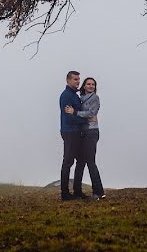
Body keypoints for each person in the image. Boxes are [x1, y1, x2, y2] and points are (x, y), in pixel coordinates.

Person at [68, 77, 105, 200]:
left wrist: (75, 113)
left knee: (90, 162)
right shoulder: (80, 98)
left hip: (91, 132)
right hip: (83, 133)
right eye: (88, 84)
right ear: (84, 86)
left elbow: (91, 113)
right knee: (80, 162)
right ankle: (77, 191)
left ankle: (99, 192)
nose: (91, 86)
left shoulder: (95, 98)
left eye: (93, 84)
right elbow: (87, 114)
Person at [59, 70, 88, 201]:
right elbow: (69, 118)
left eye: (78, 79)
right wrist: (85, 120)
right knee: (68, 162)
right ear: (68, 80)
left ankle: (77, 191)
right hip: (69, 132)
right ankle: (65, 193)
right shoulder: (66, 96)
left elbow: (75, 113)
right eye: (75, 79)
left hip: (77, 133)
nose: (78, 81)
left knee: (81, 160)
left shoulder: (75, 96)